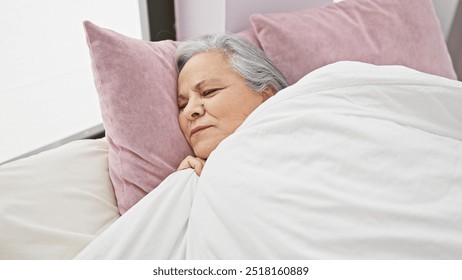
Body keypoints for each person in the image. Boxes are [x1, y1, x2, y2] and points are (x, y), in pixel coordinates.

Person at [175, 34, 288, 176]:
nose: (189, 111)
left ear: (266, 96)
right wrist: (182, 189)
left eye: (208, 91)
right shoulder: (187, 182)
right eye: (183, 105)